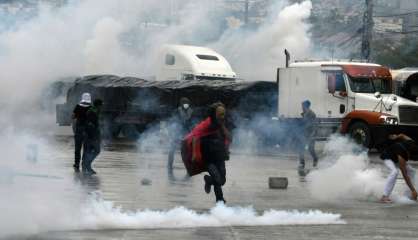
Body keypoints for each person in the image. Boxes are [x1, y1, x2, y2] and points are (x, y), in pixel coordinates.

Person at [186, 102, 231, 203]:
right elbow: (195, 136)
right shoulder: (207, 124)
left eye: (224, 114)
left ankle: (208, 180)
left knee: (222, 181)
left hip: (219, 156)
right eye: (220, 114)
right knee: (218, 180)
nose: (222, 116)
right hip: (208, 157)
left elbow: (228, 138)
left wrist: (226, 150)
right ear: (214, 114)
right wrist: (194, 154)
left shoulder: (223, 123)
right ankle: (220, 200)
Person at [379, 133, 418, 203]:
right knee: (394, 172)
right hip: (388, 157)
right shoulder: (402, 155)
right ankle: (384, 196)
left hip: (395, 157)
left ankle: (408, 194)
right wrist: (413, 190)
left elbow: (402, 135)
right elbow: (405, 175)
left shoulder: (411, 142)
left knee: (412, 172)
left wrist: (396, 137)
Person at [168, 97, 194, 170]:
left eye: (187, 103)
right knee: (172, 148)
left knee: (188, 149)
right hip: (177, 131)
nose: (186, 104)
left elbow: (191, 122)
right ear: (181, 104)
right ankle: (170, 163)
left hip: (187, 132)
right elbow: (174, 120)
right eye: (184, 103)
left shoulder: (191, 111)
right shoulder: (177, 111)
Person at [82, 99, 103, 175]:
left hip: (90, 135)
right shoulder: (92, 112)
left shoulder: (93, 110)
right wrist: (94, 136)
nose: (102, 107)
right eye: (101, 105)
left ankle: (87, 167)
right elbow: (90, 124)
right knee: (96, 150)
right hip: (91, 136)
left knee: (89, 151)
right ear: (99, 105)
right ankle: (87, 165)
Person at [72, 93, 92, 172]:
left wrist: (78, 116)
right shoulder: (91, 107)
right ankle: (84, 163)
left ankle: (77, 164)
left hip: (79, 129)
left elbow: (73, 116)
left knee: (78, 148)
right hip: (87, 130)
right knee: (86, 148)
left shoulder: (78, 106)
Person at [298, 100, 318, 171]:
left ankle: (315, 159)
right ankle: (302, 163)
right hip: (305, 134)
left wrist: (312, 135)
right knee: (301, 148)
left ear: (306, 106)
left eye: (302, 106)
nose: (302, 107)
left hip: (311, 134)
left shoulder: (312, 114)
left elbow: (314, 125)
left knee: (310, 149)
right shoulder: (305, 113)